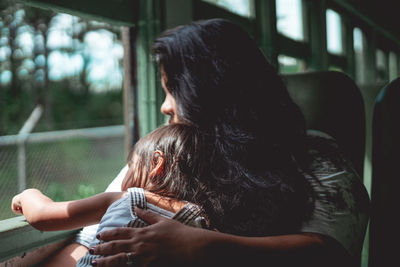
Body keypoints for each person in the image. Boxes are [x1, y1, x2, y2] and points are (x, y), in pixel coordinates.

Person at [45, 18, 369, 267]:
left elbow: (331, 254)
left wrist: (202, 245)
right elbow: (95, 237)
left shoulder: (317, 155)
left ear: (208, 94)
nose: (165, 107)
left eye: (172, 90)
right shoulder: (169, 154)